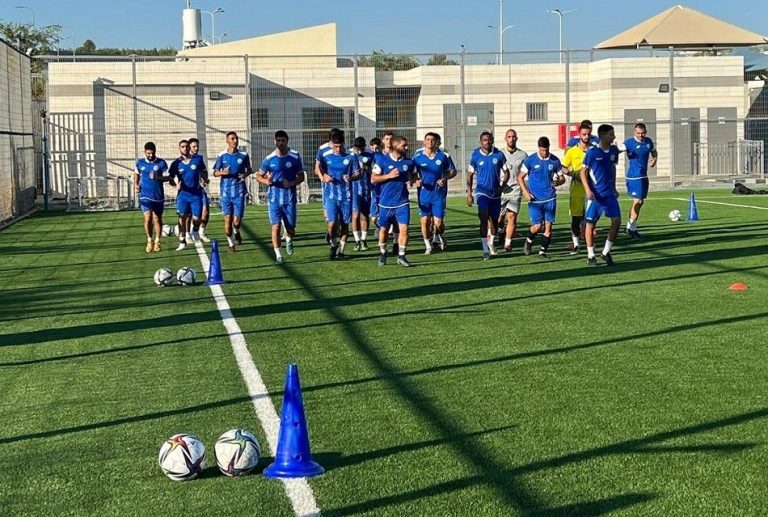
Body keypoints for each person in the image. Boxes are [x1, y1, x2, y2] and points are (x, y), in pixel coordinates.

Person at [256, 130, 304, 265]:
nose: (281, 143)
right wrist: (266, 181)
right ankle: (278, 256)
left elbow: (301, 176)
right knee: (275, 227)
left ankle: (289, 238)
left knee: (291, 230)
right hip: (274, 199)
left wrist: (291, 183)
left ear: (287, 141)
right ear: (274, 142)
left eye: (283, 140)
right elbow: (258, 175)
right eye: (278, 140)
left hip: (289, 199)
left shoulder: (294, 157)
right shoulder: (269, 159)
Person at [580, 124, 622, 266]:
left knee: (616, 221)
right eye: (611, 134)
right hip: (596, 195)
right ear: (603, 136)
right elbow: (583, 172)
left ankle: (605, 252)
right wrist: (588, 190)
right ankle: (591, 255)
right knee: (590, 224)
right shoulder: (592, 152)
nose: (614, 137)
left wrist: (614, 187)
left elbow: (613, 168)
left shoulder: (614, 151)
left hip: (609, 194)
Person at [371, 135, 416, 267]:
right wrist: (389, 176)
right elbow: (373, 178)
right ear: (396, 146)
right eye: (404, 145)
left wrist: (413, 179)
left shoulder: (409, 162)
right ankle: (383, 253)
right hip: (385, 203)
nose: (406, 147)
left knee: (404, 229)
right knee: (383, 230)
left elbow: (414, 173)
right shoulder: (383, 160)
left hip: (402, 202)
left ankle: (401, 256)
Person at [518, 136, 565, 259]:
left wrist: (559, 181)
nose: (544, 152)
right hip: (535, 200)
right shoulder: (530, 160)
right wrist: (525, 192)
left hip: (550, 198)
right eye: (542, 150)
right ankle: (529, 240)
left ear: (549, 147)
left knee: (548, 226)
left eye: (546, 150)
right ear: (538, 148)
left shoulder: (555, 161)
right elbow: (520, 177)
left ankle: (542, 252)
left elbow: (562, 178)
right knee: (537, 226)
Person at [466, 131, 509, 260]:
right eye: (484, 140)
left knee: (494, 224)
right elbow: (470, 175)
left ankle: (491, 242)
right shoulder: (475, 156)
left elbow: (506, 172)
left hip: (495, 194)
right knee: (483, 218)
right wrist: (469, 193)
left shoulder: (499, 155)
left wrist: (502, 187)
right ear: (480, 142)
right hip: (482, 192)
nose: (487, 142)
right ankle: (485, 249)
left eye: (489, 139)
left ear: (492, 140)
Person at [318, 132, 360, 260]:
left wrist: (350, 177)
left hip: (346, 196)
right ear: (332, 145)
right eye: (335, 146)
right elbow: (318, 168)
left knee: (344, 224)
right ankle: (333, 244)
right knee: (332, 224)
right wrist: (323, 176)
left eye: (340, 146)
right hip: (331, 196)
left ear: (344, 144)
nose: (338, 149)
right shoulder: (326, 155)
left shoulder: (351, 156)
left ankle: (341, 251)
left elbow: (358, 173)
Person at [413, 132, 457, 254]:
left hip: (438, 194)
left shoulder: (443, 156)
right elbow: (412, 173)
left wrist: (444, 178)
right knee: (425, 221)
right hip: (424, 194)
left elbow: (452, 171)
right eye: (428, 139)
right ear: (424, 141)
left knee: (438, 223)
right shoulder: (417, 156)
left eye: (432, 140)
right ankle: (428, 246)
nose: (430, 142)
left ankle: (440, 235)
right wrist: (415, 181)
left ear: (436, 142)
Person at [213, 131, 253, 252]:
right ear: (227, 141)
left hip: (239, 192)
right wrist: (222, 172)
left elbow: (249, 169)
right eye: (232, 139)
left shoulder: (243, 155)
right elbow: (215, 172)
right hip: (225, 193)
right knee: (228, 220)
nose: (235, 141)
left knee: (236, 221)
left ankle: (236, 230)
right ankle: (230, 243)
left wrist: (244, 175)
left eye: (236, 138)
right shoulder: (222, 155)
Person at [623, 122, 658, 240]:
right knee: (638, 201)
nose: (640, 135)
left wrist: (654, 160)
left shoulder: (648, 142)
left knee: (640, 202)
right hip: (633, 177)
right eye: (638, 133)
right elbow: (617, 150)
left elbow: (654, 151)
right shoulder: (629, 143)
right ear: (634, 132)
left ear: (645, 132)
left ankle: (629, 227)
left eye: (642, 133)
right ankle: (632, 229)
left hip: (643, 176)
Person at [169, 139, 205, 251]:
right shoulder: (176, 164)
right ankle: (182, 240)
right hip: (182, 196)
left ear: (189, 147)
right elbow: (170, 178)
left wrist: (204, 179)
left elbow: (204, 171)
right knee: (181, 217)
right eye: (182, 147)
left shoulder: (197, 160)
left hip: (196, 195)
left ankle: (195, 230)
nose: (185, 148)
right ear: (179, 148)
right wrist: (175, 185)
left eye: (186, 146)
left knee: (197, 218)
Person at [562, 123, 592, 254]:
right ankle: (576, 244)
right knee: (576, 218)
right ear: (579, 135)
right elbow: (563, 167)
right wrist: (572, 174)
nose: (586, 136)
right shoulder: (572, 151)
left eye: (588, 134)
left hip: (591, 188)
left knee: (590, 217)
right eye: (584, 134)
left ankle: (589, 244)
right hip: (577, 189)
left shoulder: (594, 150)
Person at [133, 142, 169, 252]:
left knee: (157, 218)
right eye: (148, 153)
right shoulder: (140, 163)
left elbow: (168, 177)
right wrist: (136, 184)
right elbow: (136, 174)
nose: (150, 155)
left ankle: (157, 240)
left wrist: (158, 177)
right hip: (145, 195)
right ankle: (149, 240)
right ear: (145, 152)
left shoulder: (161, 163)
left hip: (158, 196)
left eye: (152, 153)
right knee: (148, 218)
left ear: (155, 151)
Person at [499, 129, 528, 252]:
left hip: (515, 189)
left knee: (512, 217)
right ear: (505, 139)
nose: (511, 139)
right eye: (509, 137)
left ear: (516, 138)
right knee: (498, 220)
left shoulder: (523, 155)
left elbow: (526, 173)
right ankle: (501, 231)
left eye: (513, 137)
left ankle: (508, 243)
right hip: (501, 190)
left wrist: (525, 188)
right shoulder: (499, 154)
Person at [315, 128, 345, 244]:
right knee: (329, 216)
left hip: (343, 188)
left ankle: (335, 232)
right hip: (328, 187)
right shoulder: (322, 149)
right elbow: (317, 169)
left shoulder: (344, 149)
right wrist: (323, 176)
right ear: (330, 140)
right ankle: (332, 232)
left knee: (341, 217)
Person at [350, 136, 374, 251]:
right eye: (357, 149)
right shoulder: (349, 155)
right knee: (355, 215)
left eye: (361, 149)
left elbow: (375, 170)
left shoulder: (369, 155)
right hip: (354, 190)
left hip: (366, 190)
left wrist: (368, 168)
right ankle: (357, 241)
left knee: (365, 215)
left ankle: (364, 240)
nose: (359, 152)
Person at [188, 137, 211, 243]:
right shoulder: (184, 159)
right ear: (189, 147)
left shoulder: (199, 159)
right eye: (194, 146)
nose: (196, 148)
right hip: (188, 191)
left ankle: (202, 232)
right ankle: (187, 234)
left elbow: (204, 171)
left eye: (197, 146)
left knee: (205, 210)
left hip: (199, 189)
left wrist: (205, 179)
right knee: (188, 214)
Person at [368, 136, 384, 231]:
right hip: (372, 188)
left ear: (380, 147)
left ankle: (387, 229)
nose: (374, 150)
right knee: (373, 217)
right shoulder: (368, 156)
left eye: (376, 148)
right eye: (372, 148)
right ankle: (381, 228)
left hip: (382, 186)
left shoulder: (382, 157)